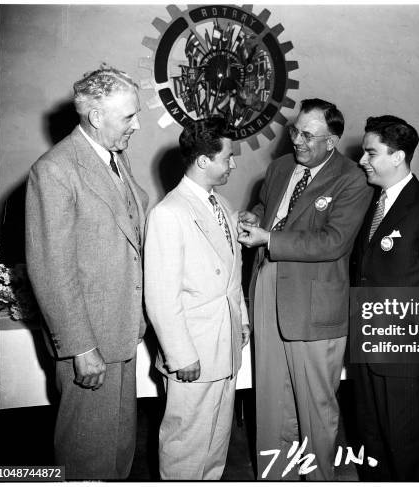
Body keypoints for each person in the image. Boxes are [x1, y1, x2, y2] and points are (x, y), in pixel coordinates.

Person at [237, 98, 373, 480]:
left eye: (308, 136)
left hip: (314, 304)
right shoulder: (280, 167)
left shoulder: (352, 178)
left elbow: (334, 241)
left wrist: (270, 238)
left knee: (315, 406)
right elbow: (267, 208)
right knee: (270, 400)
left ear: (331, 141)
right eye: (295, 130)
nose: (297, 140)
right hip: (268, 286)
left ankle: (319, 478)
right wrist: (255, 218)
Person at [25, 65, 148, 479]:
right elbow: (51, 267)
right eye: (129, 115)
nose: (137, 123)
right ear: (96, 117)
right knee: (85, 456)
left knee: (117, 450)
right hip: (90, 343)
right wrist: (80, 347)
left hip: (121, 333)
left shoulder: (115, 157)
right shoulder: (56, 169)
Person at [350, 115, 419, 480]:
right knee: (372, 445)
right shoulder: (374, 203)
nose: (363, 160)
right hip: (368, 350)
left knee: (406, 450)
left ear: (397, 157)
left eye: (371, 153)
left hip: (406, 358)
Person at [144, 118, 250, 479]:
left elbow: (231, 273)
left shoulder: (219, 203)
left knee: (216, 442)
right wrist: (180, 354)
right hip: (193, 352)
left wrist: (242, 320)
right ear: (203, 161)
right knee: (185, 445)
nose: (233, 164)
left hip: (225, 343)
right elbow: (160, 296)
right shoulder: (168, 213)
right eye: (228, 157)